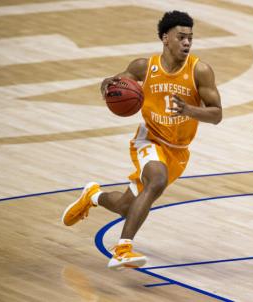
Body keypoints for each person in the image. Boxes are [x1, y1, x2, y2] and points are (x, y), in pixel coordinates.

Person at [62, 10, 222, 270]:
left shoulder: (200, 71)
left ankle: (93, 195)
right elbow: (115, 81)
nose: (187, 43)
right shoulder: (144, 67)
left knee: (128, 207)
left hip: (179, 151)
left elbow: (217, 115)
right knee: (156, 180)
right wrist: (107, 86)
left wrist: (189, 110)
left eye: (190, 38)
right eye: (181, 37)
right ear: (165, 38)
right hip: (149, 139)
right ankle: (123, 248)